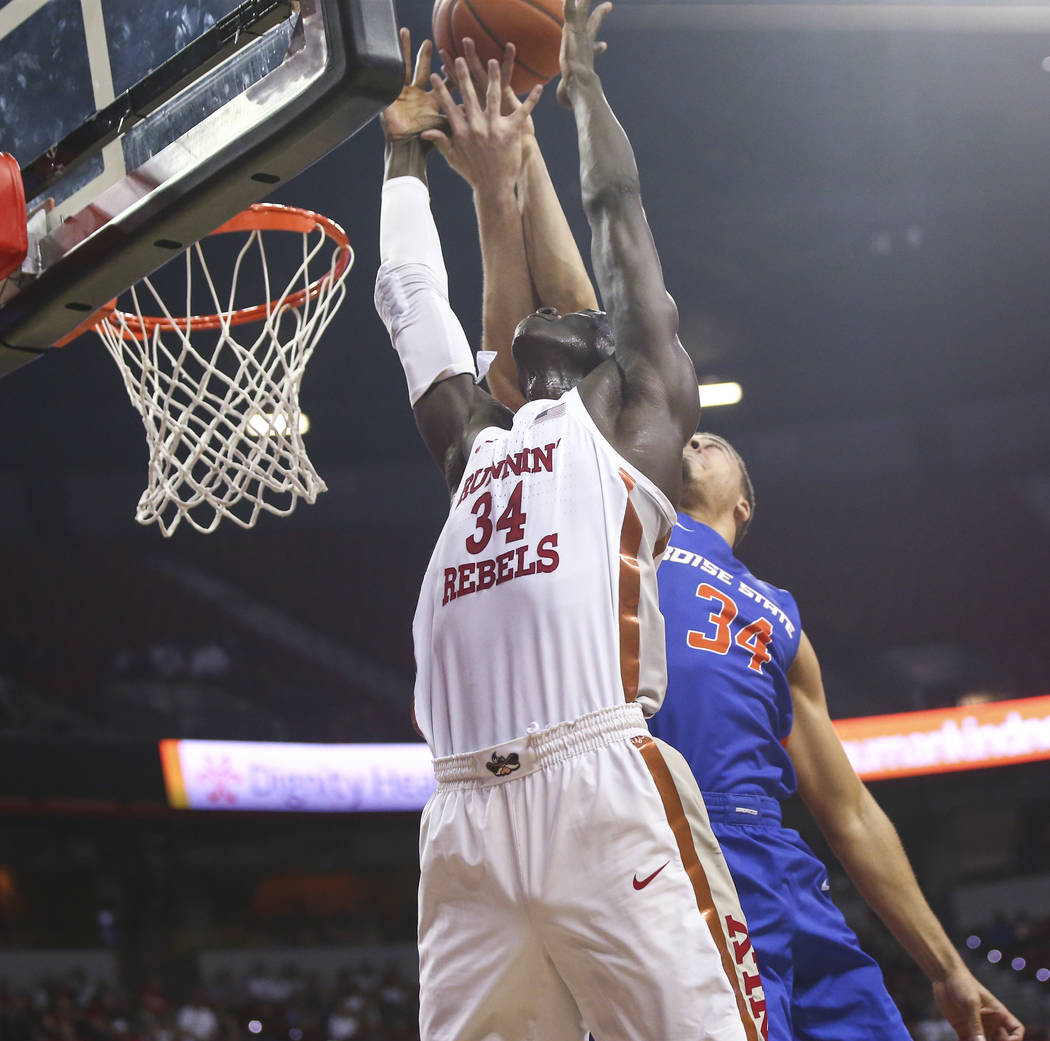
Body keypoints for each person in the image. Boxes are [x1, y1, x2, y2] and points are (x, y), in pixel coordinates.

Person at [436, 30, 1026, 1041]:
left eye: (715, 442)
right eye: (690, 430)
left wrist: (948, 966)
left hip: (789, 888)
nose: (696, 436)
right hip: (667, 872)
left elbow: (849, 812)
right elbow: (583, 293)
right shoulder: (629, 519)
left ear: (746, 501)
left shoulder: (781, 621)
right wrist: (546, 124)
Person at [372, 6, 768, 1040]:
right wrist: (401, 157)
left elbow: (616, 209)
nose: (560, 320)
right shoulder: (478, 446)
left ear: (605, 361)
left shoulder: (633, 437)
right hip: (461, 819)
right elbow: (413, 302)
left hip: (599, 789)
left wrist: (585, 88)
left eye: (579, 325)